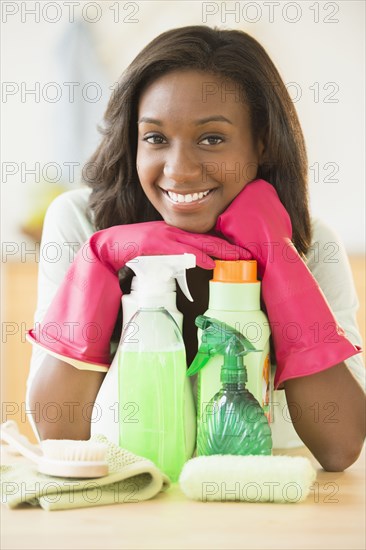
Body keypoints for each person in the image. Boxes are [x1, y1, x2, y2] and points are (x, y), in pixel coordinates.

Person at [26, 26, 365, 471]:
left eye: (211, 139)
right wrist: (98, 263)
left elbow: (340, 448)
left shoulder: (310, 244)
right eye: (155, 138)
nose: (180, 170)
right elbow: (57, 431)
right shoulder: (82, 222)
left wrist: (277, 257)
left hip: (260, 500)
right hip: (128, 507)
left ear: (260, 143)